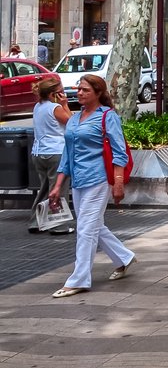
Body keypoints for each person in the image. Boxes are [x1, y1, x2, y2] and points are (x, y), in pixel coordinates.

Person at [47, 75, 135, 298]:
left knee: (86, 228)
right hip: (78, 180)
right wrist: (58, 186)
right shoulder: (75, 119)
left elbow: (119, 152)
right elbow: (67, 154)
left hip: (98, 179)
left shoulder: (107, 116)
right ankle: (124, 257)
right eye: (79, 89)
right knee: (94, 225)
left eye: (85, 90)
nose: (80, 93)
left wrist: (117, 183)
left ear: (98, 93)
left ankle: (79, 279)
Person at [29, 75, 72, 235]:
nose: (63, 93)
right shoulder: (55, 108)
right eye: (61, 91)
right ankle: (58, 225)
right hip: (56, 153)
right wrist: (65, 104)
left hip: (39, 152)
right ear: (53, 93)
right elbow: (72, 123)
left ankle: (35, 222)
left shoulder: (37, 107)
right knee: (58, 189)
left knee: (45, 188)